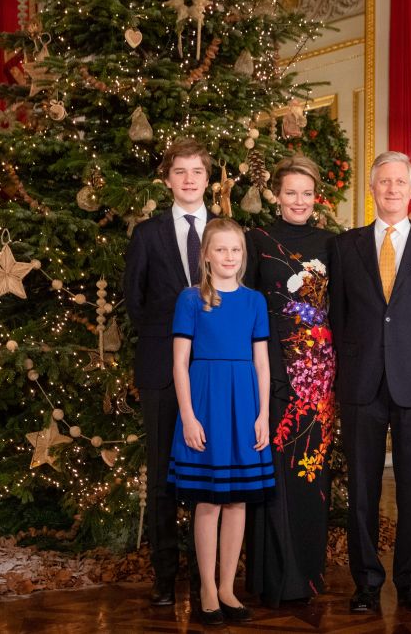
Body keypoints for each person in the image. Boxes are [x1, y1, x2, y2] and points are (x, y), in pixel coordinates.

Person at [328, 151, 411, 613]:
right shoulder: (345, 247)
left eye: (399, 182)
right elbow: (337, 319)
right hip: (360, 382)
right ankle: (365, 582)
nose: (391, 189)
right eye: (382, 181)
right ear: (372, 189)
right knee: (362, 488)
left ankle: (409, 581)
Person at [169, 218, 274, 626]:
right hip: (206, 404)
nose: (229, 257)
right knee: (209, 501)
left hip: (244, 404)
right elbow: (180, 363)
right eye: (221, 249)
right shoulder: (191, 299)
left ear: (242, 256)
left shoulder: (254, 301)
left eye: (236, 250)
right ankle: (207, 589)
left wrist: (263, 414)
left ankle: (228, 586)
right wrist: (189, 416)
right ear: (207, 255)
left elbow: (262, 364)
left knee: (237, 501)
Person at [123, 138, 214, 607]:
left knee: (209, 475)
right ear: (167, 180)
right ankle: (164, 574)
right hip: (161, 369)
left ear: (208, 178)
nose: (189, 179)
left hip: (216, 375)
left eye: (197, 171)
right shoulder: (147, 234)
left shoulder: (226, 231)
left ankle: (205, 579)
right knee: (161, 474)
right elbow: (133, 303)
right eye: (180, 171)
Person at [243, 155, 336, 607]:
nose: (298, 200)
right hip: (270, 374)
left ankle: (307, 577)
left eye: (306, 193)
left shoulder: (331, 243)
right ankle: (272, 578)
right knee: (272, 476)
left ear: (315, 197)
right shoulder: (256, 239)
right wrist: (267, 373)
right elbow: (248, 309)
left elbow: (340, 311)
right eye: (290, 192)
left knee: (309, 474)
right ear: (275, 195)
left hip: (318, 381)